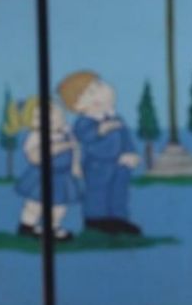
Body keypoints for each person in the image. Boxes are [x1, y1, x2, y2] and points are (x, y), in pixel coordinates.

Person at [58, 71, 142, 235]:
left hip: (119, 164)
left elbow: (125, 137)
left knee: (119, 191)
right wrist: (100, 130)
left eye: (99, 85)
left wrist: (131, 153)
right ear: (79, 105)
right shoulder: (85, 122)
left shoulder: (115, 118)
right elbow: (84, 136)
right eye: (92, 90)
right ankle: (96, 220)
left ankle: (119, 219)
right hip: (97, 166)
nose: (103, 89)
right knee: (97, 192)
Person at [14, 97, 81, 242]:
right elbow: (35, 157)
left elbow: (75, 148)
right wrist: (59, 146)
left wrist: (76, 166)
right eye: (38, 117)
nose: (48, 119)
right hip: (42, 176)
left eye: (54, 113)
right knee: (35, 203)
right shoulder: (35, 136)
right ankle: (27, 225)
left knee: (59, 205)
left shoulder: (66, 132)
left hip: (63, 176)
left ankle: (52, 227)